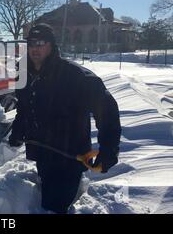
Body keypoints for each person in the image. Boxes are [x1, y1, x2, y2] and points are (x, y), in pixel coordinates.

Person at [8, 23, 122, 214]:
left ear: (52, 45)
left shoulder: (74, 76)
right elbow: (24, 106)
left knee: (53, 208)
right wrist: (19, 129)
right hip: (42, 153)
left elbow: (107, 109)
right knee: (46, 200)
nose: (35, 47)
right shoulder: (23, 71)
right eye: (31, 43)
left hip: (69, 157)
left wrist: (109, 148)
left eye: (41, 42)